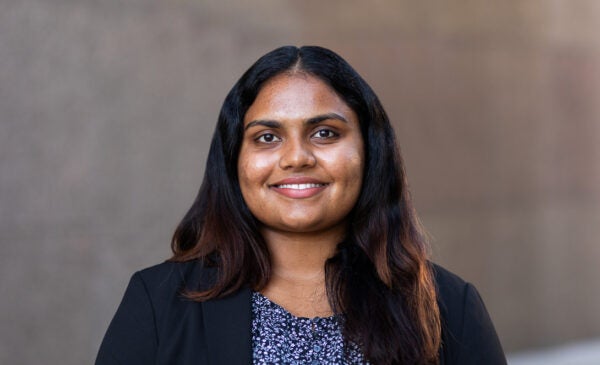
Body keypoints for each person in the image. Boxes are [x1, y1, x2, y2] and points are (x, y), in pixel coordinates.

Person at [96, 45, 507, 365]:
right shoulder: (158, 302)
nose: (296, 158)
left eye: (325, 133)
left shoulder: (449, 308)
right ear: (233, 158)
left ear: (369, 151)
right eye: (267, 137)